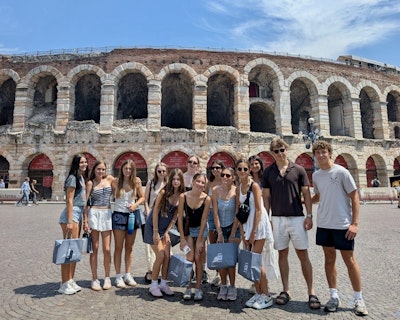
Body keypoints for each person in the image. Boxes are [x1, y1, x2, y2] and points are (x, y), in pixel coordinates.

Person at [262, 137, 320, 309]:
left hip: (296, 217)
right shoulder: (268, 172)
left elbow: (307, 195)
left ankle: (312, 292)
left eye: (282, 150)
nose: (280, 153)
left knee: (303, 255)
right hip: (278, 218)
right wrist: (267, 219)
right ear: (272, 153)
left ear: (286, 150)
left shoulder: (299, 169)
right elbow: (266, 197)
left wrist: (309, 215)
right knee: (282, 254)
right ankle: (285, 289)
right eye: (276, 151)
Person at [311, 141, 368, 316]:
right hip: (324, 224)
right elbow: (319, 195)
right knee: (329, 260)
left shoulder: (342, 172)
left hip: (342, 224)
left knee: (349, 261)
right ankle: (333, 296)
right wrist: (303, 202)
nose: (321, 155)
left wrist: (355, 223)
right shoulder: (316, 175)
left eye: (323, 152)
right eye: (318, 153)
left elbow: (355, 197)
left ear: (330, 153)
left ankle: (359, 298)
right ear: (315, 155)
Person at [232, 159, 274, 310]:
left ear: (249, 170)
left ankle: (267, 295)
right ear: (236, 171)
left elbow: (257, 209)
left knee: (256, 260)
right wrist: (243, 232)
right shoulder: (238, 188)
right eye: (239, 169)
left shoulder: (254, 186)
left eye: (245, 169)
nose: (242, 171)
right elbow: (238, 211)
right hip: (247, 225)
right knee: (251, 261)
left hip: (259, 225)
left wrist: (254, 231)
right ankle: (258, 292)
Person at [144, 169, 185, 297]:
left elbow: (175, 216)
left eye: (178, 179)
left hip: (165, 229)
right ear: (170, 180)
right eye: (173, 179)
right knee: (160, 255)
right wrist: (156, 232)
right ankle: (153, 285)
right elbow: (155, 212)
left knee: (168, 257)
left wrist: (167, 232)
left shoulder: (181, 195)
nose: (176, 182)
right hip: (153, 227)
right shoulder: (163, 192)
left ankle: (164, 283)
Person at [111, 159, 145, 289]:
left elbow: (142, 197)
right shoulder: (115, 181)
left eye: (130, 169)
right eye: (126, 168)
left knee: (129, 247)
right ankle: (118, 276)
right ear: (122, 169)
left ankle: (128, 274)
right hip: (119, 215)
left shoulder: (136, 181)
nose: (128, 171)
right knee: (118, 247)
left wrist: (135, 204)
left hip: (132, 215)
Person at [57, 154, 88, 294]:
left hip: (78, 214)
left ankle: (70, 280)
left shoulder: (81, 177)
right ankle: (63, 284)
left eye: (86, 162)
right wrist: (70, 221)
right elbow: (69, 200)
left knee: (74, 249)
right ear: (76, 164)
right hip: (71, 215)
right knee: (68, 250)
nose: (84, 164)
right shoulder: (72, 178)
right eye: (81, 162)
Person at [177, 172, 211, 301]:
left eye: (203, 182)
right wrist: (181, 238)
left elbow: (204, 220)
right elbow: (180, 218)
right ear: (193, 182)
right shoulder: (183, 196)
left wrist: (201, 240)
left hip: (201, 230)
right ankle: (188, 286)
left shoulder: (206, 199)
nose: (200, 184)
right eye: (198, 181)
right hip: (188, 230)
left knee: (199, 258)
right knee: (190, 258)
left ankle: (198, 288)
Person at [83, 160, 115, 291]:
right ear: (94, 170)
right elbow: (86, 203)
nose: (100, 171)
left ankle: (107, 277)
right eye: (98, 169)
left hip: (107, 213)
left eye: (103, 169)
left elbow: (123, 183)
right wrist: (85, 221)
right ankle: (94, 278)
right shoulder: (90, 183)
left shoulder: (109, 180)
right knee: (95, 248)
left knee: (107, 249)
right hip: (94, 213)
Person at [212, 167, 240, 301]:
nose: (224, 177)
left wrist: (233, 233)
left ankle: (233, 286)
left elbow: (237, 213)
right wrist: (219, 232)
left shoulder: (237, 191)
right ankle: (224, 285)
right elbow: (215, 213)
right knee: (221, 259)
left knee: (231, 260)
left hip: (233, 227)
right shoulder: (215, 191)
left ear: (233, 178)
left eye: (228, 175)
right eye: (223, 175)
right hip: (220, 228)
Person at [143, 162, 168, 283]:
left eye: (164, 171)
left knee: (162, 245)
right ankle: (150, 271)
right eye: (159, 171)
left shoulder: (168, 184)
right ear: (156, 172)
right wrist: (148, 212)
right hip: (151, 216)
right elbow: (145, 199)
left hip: (163, 217)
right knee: (150, 246)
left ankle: (161, 270)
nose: (162, 173)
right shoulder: (151, 183)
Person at [205, 159, 224, 287]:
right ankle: (217, 274)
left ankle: (224, 275)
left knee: (223, 245)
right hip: (211, 215)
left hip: (224, 214)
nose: (215, 170)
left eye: (218, 167)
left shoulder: (226, 180)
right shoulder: (209, 182)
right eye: (213, 168)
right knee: (213, 245)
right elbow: (205, 197)